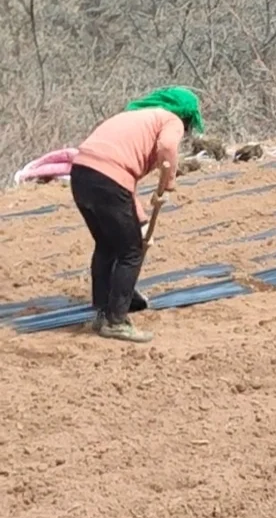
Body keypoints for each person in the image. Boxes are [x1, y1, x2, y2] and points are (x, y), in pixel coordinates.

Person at [69, 87, 204, 343]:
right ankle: (116, 321)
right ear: (185, 117)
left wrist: (140, 221)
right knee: (131, 252)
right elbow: (166, 148)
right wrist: (168, 183)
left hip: (82, 175)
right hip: (107, 180)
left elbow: (122, 186)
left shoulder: (135, 118)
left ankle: (101, 312)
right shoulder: (170, 119)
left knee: (107, 246)